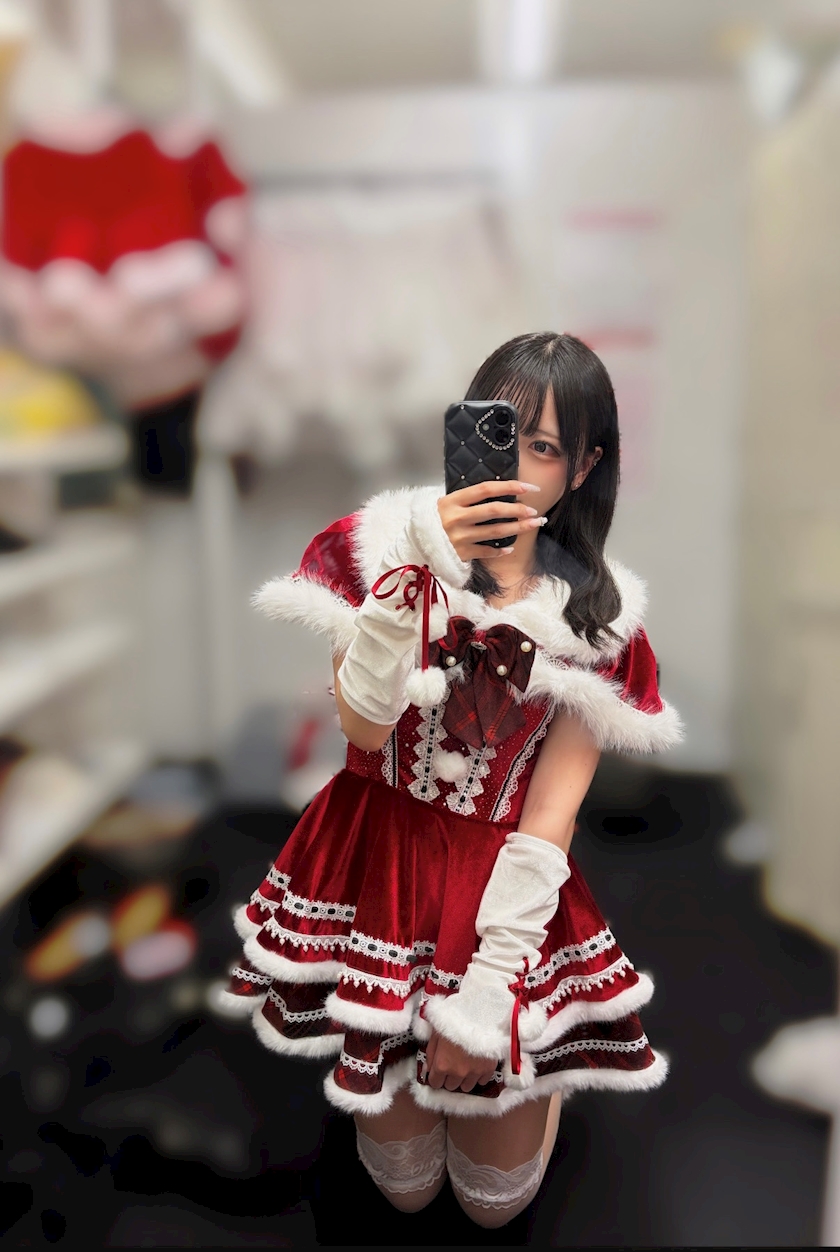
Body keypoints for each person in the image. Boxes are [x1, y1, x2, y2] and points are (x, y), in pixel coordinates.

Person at [224, 332, 683, 1228]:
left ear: (584, 467)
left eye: (544, 447)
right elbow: (363, 726)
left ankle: (543, 1076)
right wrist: (413, 575)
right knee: (404, 1186)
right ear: (461, 426)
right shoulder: (375, 548)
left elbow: (550, 817)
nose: (514, 465)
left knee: (490, 1206)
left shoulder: (596, 623)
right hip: (372, 862)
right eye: (498, 431)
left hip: (498, 883)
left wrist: (484, 1004)